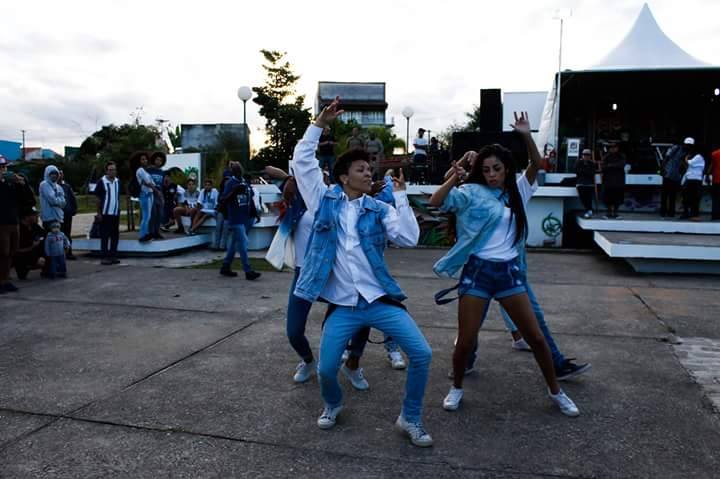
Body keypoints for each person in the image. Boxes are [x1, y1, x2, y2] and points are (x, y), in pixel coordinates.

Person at [293, 97, 433, 447]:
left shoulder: (378, 208)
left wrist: (400, 198)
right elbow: (302, 162)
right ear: (343, 177)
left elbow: (409, 238)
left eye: (370, 169)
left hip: (378, 301)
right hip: (342, 306)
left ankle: (410, 417)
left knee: (423, 354)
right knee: (326, 370)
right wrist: (319, 124)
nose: (369, 172)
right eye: (360, 169)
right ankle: (333, 404)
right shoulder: (323, 200)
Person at [429, 112, 579, 417]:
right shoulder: (471, 192)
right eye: (485, 170)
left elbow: (538, 165)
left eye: (496, 168)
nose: (491, 174)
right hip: (478, 274)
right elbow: (436, 201)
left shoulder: (518, 191)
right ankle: (456, 387)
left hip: (509, 273)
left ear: (506, 168)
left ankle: (556, 391)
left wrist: (525, 134)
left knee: (536, 338)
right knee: (466, 341)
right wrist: (452, 178)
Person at [218, 163, 261, 280]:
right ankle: (248, 271)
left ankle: (226, 266)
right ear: (232, 171)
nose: (238, 170)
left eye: (239, 167)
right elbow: (223, 200)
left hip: (246, 217)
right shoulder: (230, 183)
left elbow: (250, 198)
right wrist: (234, 191)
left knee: (234, 244)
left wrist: (255, 213)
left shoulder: (244, 181)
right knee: (243, 243)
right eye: (235, 168)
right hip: (235, 218)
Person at [0, 155, 22, 294]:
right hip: (1, 223)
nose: (3, 169)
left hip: (13, 221)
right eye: (1, 167)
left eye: (4, 166)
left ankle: (5, 279)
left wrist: (19, 184)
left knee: (11, 252)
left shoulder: (9, 183)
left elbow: (19, 200)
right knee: (3, 252)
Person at [95, 162, 121, 265]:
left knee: (115, 235)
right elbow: (97, 198)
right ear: (106, 171)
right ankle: (104, 256)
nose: (112, 172)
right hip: (105, 213)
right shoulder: (102, 182)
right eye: (110, 170)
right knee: (105, 235)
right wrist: (99, 212)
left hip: (115, 213)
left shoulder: (118, 181)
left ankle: (113, 255)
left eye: (114, 170)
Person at [13, 208, 46, 280]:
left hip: (32, 252)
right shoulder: (18, 229)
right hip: (21, 255)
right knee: (22, 275)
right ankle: (25, 267)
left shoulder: (34, 226)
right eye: (34, 215)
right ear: (26, 217)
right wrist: (32, 246)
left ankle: (46, 268)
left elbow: (44, 234)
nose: (37, 216)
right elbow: (15, 249)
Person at [660, 140, 687, 218]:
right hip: (668, 173)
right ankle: (663, 211)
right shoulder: (676, 148)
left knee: (672, 195)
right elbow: (666, 157)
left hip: (675, 176)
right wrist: (662, 168)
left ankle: (671, 212)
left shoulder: (685, 152)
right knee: (665, 195)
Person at [680, 138, 705, 220]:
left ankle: (694, 214)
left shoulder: (698, 156)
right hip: (689, 179)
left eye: (688, 146)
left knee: (694, 198)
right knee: (687, 197)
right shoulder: (692, 156)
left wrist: (686, 158)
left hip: (695, 180)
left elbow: (689, 163)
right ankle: (687, 213)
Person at [134, 152, 157, 242]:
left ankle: (146, 234)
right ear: (139, 161)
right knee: (146, 216)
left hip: (150, 194)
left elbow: (152, 183)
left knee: (148, 216)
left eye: (146, 159)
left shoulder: (146, 171)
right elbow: (148, 182)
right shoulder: (140, 170)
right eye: (143, 159)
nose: (145, 161)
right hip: (145, 194)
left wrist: (153, 188)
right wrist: (156, 190)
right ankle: (143, 235)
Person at [601, 141, 626, 219]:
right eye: (611, 148)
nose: (613, 149)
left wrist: (610, 165)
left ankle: (616, 213)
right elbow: (603, 166)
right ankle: (608, 213)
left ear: (617, 148)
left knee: (617, 198)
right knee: (608, 197)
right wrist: (612, 166)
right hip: (608, 180)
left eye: (614, 147)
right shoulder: (606, 156)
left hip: (618, 180)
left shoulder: (621, 156)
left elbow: (621, 164)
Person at [39, 165, 66, 231]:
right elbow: (52, 200)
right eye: (52, 173)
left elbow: (64, 203)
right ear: (47, 174)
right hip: (49, 218)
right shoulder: (44, 184)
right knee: (50, 239)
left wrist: (58, 202)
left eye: (56, 173)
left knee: (59, 239)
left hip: (58, 217)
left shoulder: (59, 187)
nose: (54, 175)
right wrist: (59, 201)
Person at [146, 152, 166, 240]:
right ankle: (151, 232)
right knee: (153, 213)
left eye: (161, 160)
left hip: (159, 194)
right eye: (157, 159)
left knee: (159, 213)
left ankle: (157, 232)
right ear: (154, 160)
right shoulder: (149, 170)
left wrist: (162, 195)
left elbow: (161, 185)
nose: (159, 161)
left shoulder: (162, 172)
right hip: (151, 193)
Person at [58, 170, 77, 259]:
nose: (59, 175)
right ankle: (60, 252)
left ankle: (69, 252)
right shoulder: (53, 187)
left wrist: (74, 209)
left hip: (67, 214)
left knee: (67, 233)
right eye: (58, 173)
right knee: (59, 233)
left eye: (61, 173)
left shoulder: (67, 186)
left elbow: (72, 198)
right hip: (58, 215)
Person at [576, 149, 597, 218]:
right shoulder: (578, 162)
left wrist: (584, 171)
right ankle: (588, 210)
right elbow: (577, 171)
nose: (586, 156)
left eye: (588, 155)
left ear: (590, 156)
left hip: (589, 184)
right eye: (585, 155)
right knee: (582, 198)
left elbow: (592, 172)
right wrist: (586, 171)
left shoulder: (592, 163)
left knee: (589, 198)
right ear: (582, 155)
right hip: (580, 183)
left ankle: (589, 211)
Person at [711, 148, 720, 221]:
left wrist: (707, 175)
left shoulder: (714, 153)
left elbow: (712, 166)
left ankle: (714, 215)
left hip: (716, 179)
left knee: (715, 198)